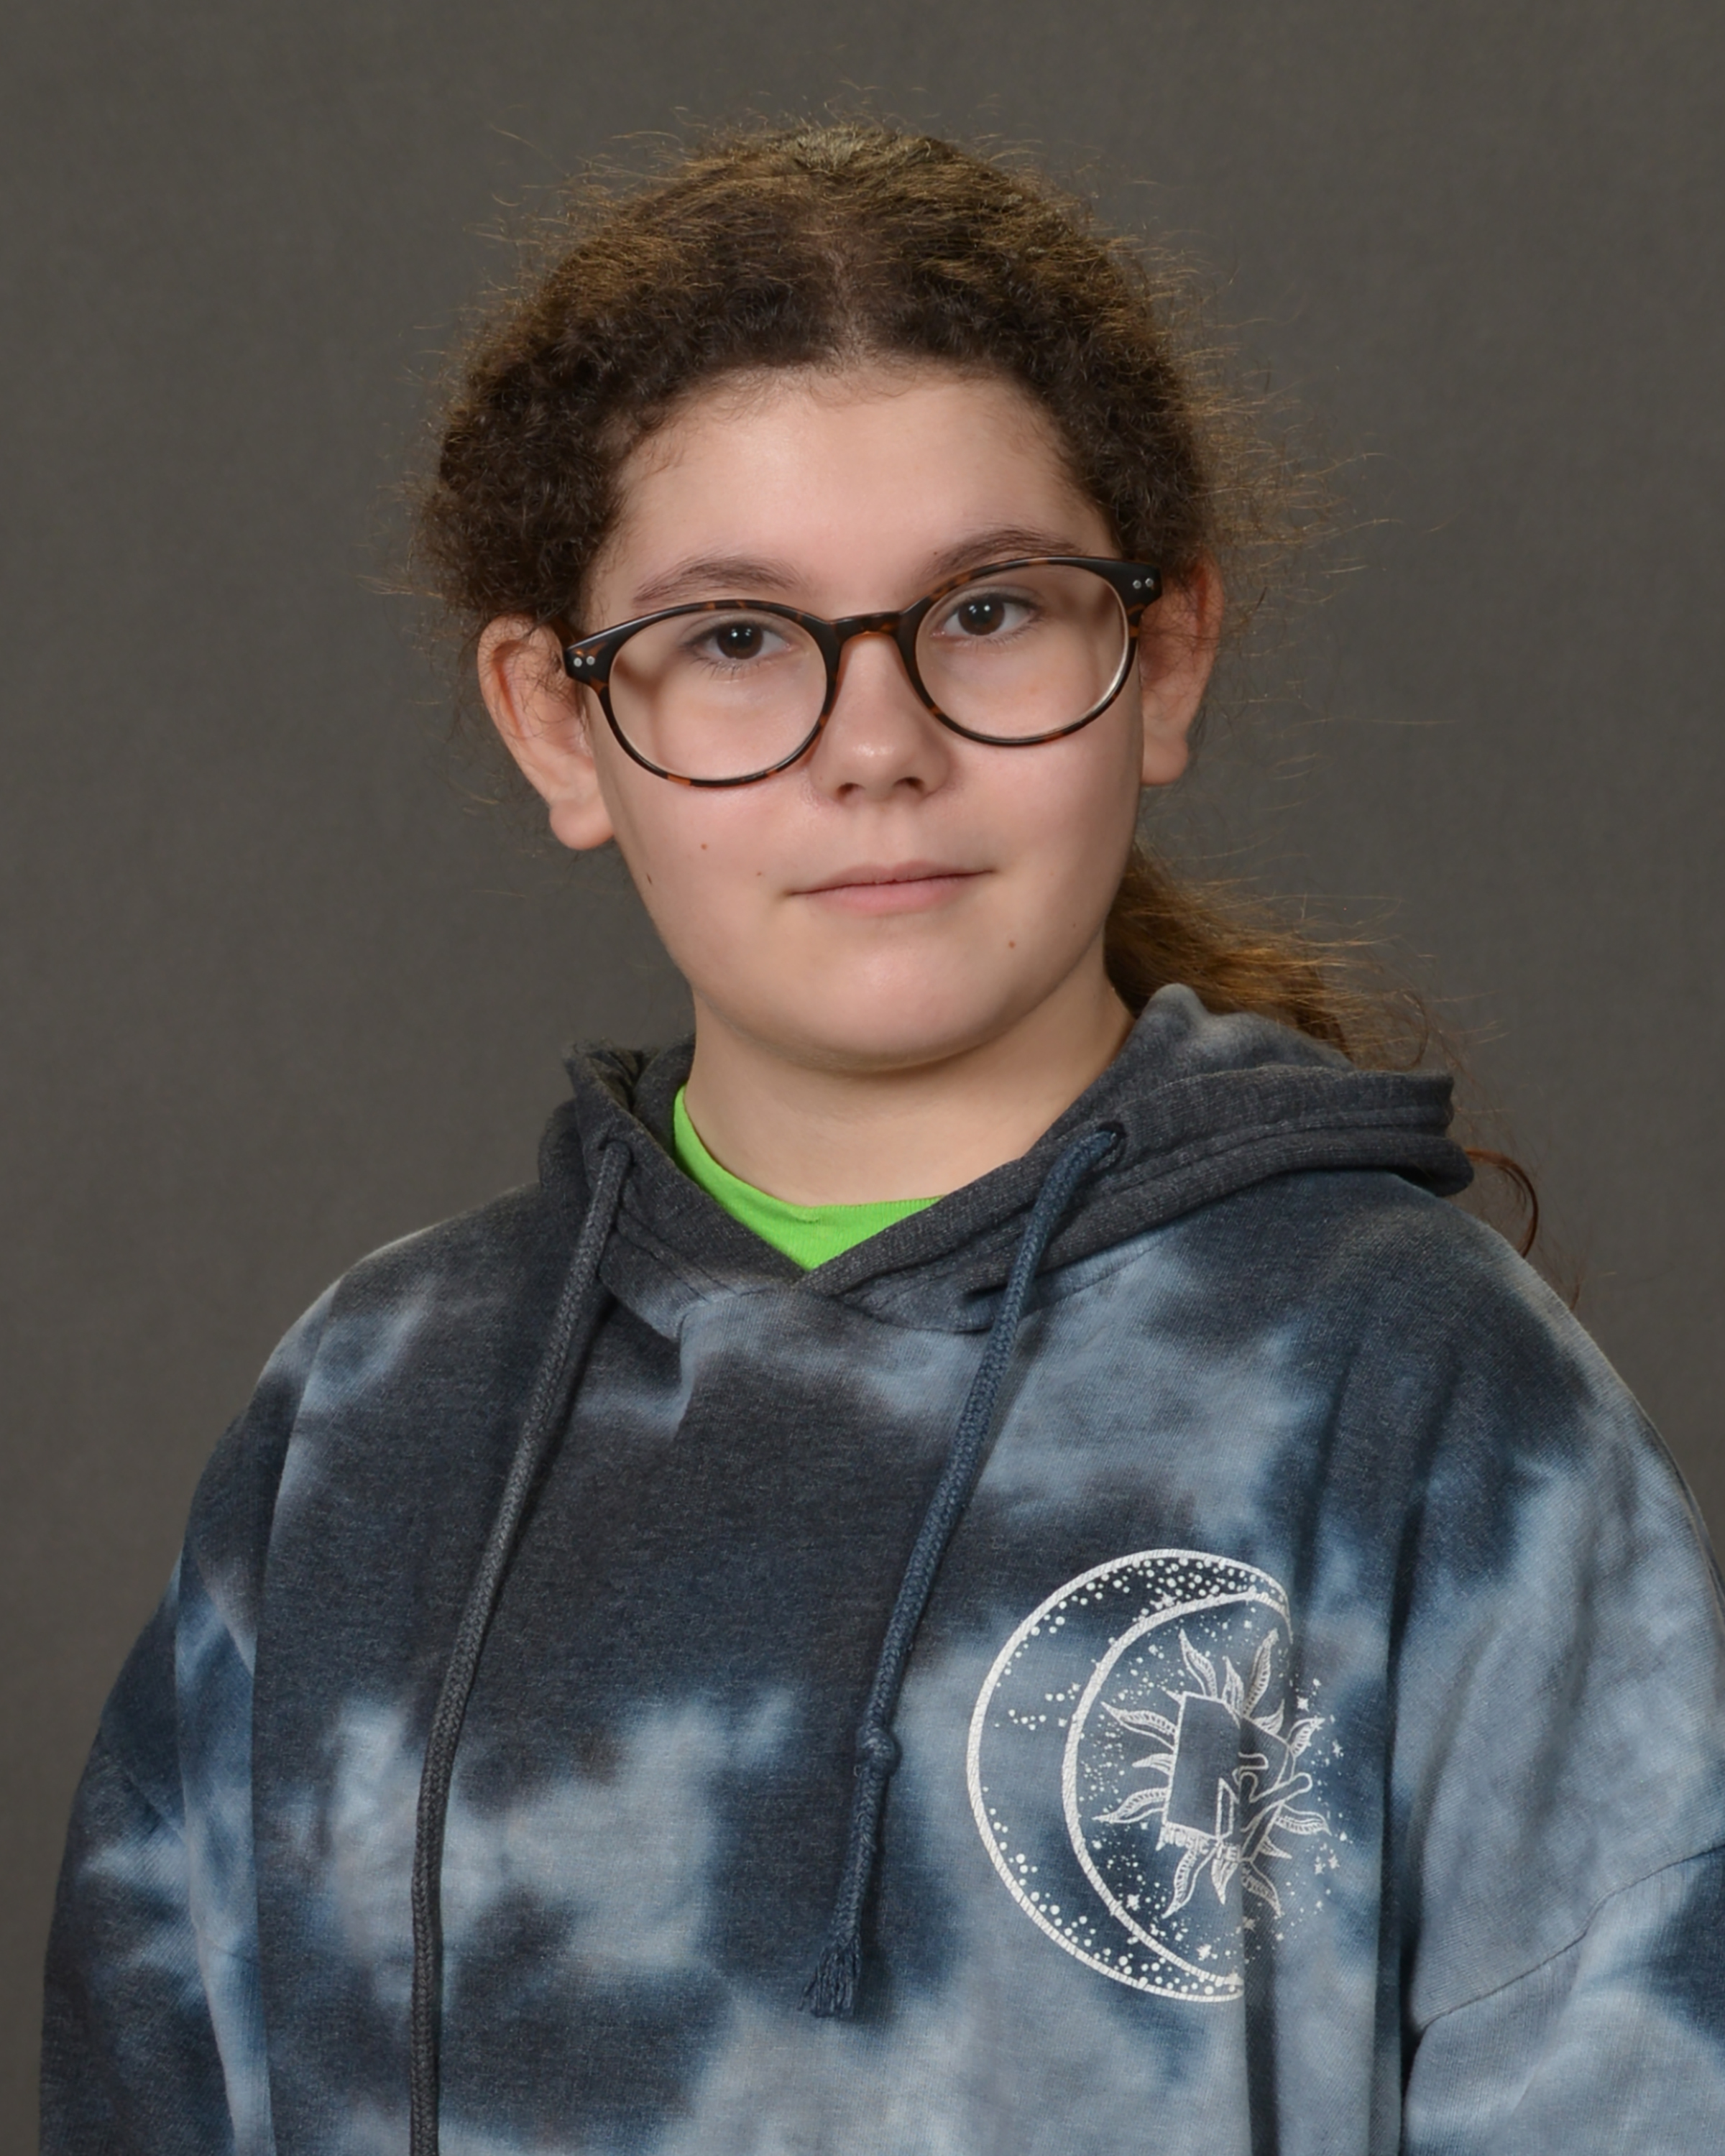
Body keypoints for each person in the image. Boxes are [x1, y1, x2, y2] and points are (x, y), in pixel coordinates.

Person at [41, 123, 1725, 2156]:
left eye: (989, 609)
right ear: (558, 720)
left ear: (1163, 658)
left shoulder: (1415, 1395)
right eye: (737, 638)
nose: (877, 747)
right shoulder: (368, 1421)